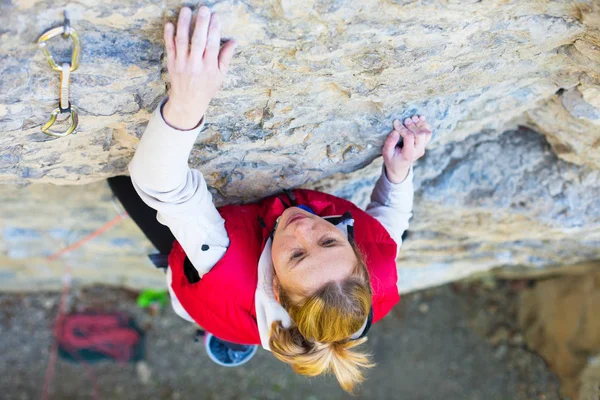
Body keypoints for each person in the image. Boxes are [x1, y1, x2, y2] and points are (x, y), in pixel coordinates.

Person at [124, 5, 432, 393]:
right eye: (328, 240)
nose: (304, 228)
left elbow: (159, 182)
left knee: (124, 186)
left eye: (297, 255)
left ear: (274, 288)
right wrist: (398, 171)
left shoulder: (223, 264)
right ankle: (265, 330)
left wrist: (187, 104)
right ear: (359, 258)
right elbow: (391, 216)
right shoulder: (376, 273)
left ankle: (226, 333)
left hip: (215, 302)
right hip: (286, 302)